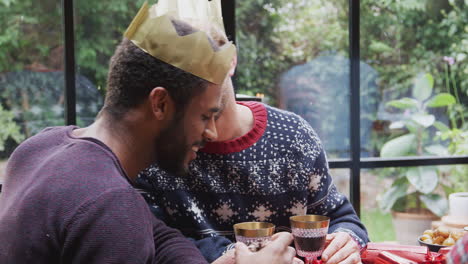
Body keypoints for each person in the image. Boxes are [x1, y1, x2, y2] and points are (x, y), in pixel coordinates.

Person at [0, 2, 297, 263]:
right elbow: (124, 218)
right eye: (205, 116)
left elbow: (161, 237)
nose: (211, 131)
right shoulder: (110, 206)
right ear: (160, 104)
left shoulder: (41, 146)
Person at [137, 23, 369, 264]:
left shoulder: (293, 136)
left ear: (231, 62)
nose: (193, 87)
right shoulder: (154, 150)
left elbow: (342, 218)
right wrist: (232, 256)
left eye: (204, 70)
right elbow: (149, 243)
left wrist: (347, 239)